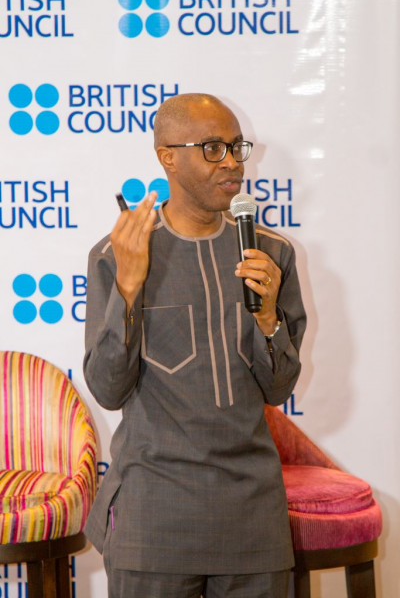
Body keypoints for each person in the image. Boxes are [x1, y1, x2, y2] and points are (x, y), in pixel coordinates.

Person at [83, 93, 307, 598]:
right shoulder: (117, 255)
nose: (231, 162)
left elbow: (278, 389)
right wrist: (129, 287)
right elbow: (108, 389)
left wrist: (268, 317)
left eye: (236, 147)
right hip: (154, 511)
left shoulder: (271, 253)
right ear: (168, 157)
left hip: (252, 514)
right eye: (212, 148)